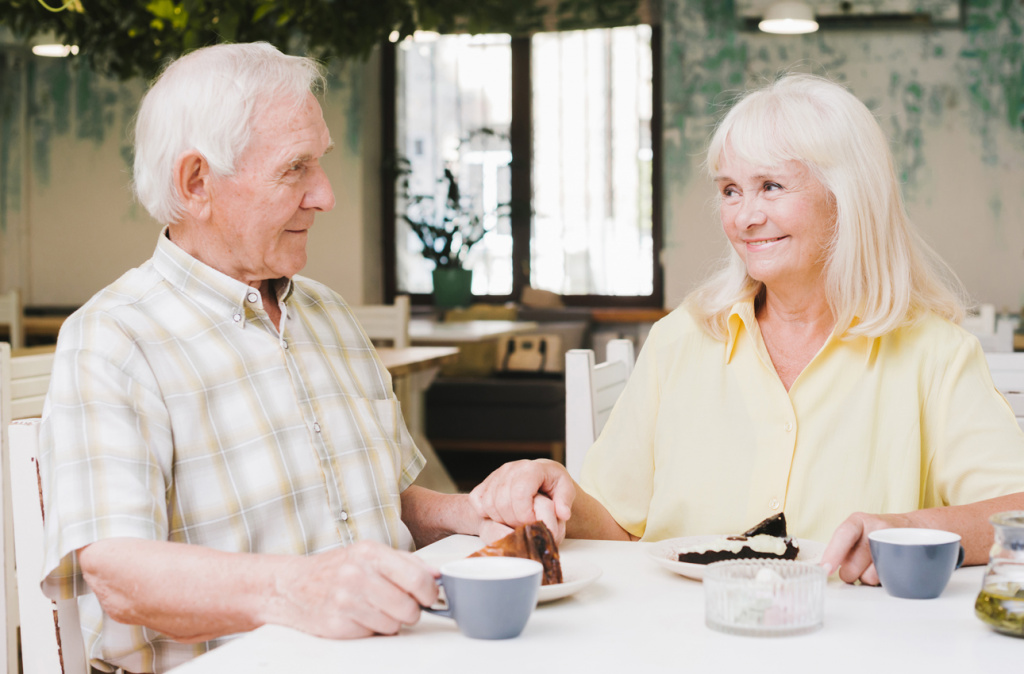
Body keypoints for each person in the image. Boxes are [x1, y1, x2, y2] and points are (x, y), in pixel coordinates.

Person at [39, 43, 498, 673]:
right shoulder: (115, 337)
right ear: (197, 183)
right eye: (295, 169)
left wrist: (473, 512)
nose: (325, 196)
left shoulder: (330, 314)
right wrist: (297, 590)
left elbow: (382, 504)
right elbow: (117, 571)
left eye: (321, 164)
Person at [470, 73, 1024, 585]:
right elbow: (619, 528)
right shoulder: (679, 341)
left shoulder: (935, 354)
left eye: (771, 187)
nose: (744, 216)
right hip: (680, 642)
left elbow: (1016, 512)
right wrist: (555, 484)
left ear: (847, 198)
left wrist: (900, 528)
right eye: (731, 189)